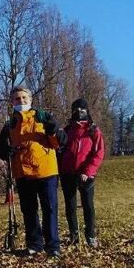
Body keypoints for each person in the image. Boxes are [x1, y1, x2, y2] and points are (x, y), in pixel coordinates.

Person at [0, 86, 64, 257]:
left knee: (49, 209)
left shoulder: (43, 117)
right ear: (12, 102)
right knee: (28, 210)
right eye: (17, 98)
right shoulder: (9, 124)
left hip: (45, 170)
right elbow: (1, 149)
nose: (21, 101)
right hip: (22, 172)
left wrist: (53, 130)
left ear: (30, 99)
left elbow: (58, 144)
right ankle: (34, 244)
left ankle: (53, 246)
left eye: (24, 98)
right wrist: (6, 151)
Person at [58, 98, 105, 247]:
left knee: (88, 206)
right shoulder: (67, 131)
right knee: (70, 206)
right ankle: (74, 236)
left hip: (86, 175)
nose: (79, 112)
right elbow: (59, 151)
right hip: (67, 173)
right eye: (76, 109)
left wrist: (88, 171)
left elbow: (99, 153)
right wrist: (60, 169)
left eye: (82, 109)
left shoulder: (93, 130)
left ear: (87, 111)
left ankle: (91, 236)